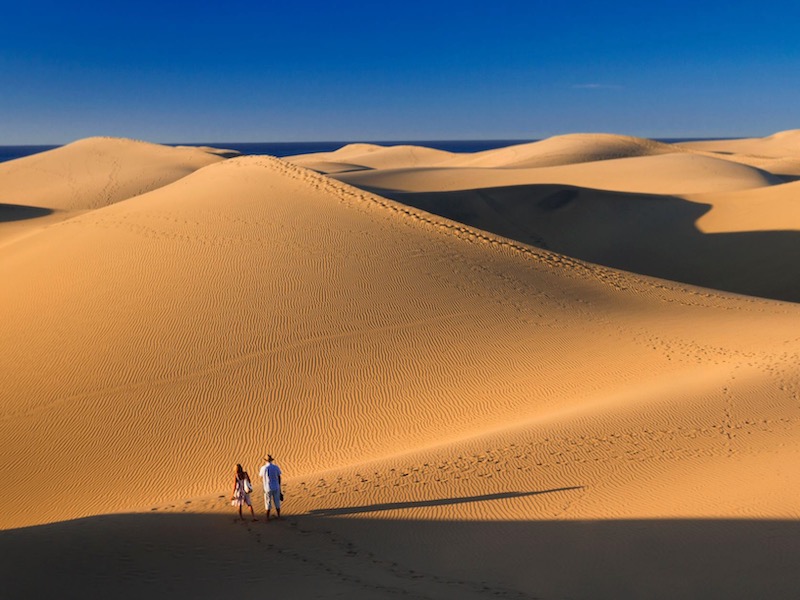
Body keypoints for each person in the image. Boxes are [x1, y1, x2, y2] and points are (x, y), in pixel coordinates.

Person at [258, 454, 282, 520]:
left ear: (265, 460)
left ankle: (267, 518)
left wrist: (264, 482)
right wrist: (279, 486)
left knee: (267, 502)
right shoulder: (276, 467)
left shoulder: (263, 468)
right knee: (277, 502)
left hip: (267, 487)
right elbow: (279, 477)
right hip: (276, 486)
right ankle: (279, 516)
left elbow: (261, 477)